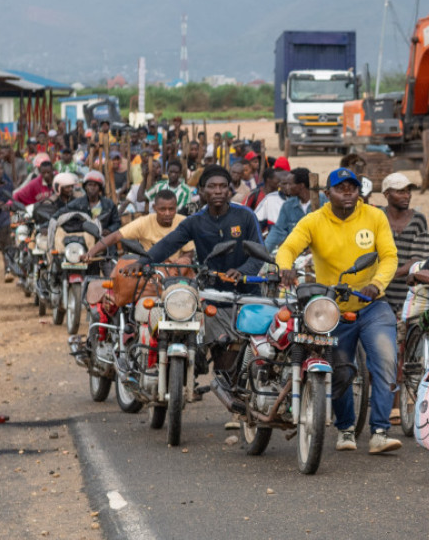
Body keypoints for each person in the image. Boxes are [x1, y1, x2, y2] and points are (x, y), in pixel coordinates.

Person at [276, 168, 401, 455]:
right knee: (340, 370)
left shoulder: (374, 216)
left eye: (353, 187)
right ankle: (345, 428)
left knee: (384, 360)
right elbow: (288, 248)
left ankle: (380, 431)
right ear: (326, 194)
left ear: (359, 192)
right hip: (330, 310)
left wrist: (377, 284)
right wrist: (284, 267)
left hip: (371, 304)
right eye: (340, 187)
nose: (347, 192)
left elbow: (389, 256)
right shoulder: (313, 221)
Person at [138, 165, 267, 392]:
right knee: (221, 353)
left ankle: (243, 401)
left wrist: (243, 272)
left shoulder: (245, 216)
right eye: (212, 186)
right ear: (202, 191)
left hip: (247, 296)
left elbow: (259, 254)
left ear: (230, 190)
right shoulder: (194, 221)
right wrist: (144, 261)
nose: (218, 191)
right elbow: (168, 244)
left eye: (222, 187)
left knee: (248, 356)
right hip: (212, 296)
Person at [84, 189, 194, 260]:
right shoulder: (144, 222)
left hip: (177, 272)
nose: (167, 213)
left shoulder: (184, 223)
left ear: (176, 208)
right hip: (149, 270)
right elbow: (116, 236)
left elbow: (188, 253)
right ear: (155, 208)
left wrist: (177, 266)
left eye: (171, 209)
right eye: (162, 209)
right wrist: (91, 253)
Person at [379, 173, 429, 315]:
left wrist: (386, 275)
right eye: (400, 192)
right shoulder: (377, 217)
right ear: (386, 194)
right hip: (379, 293)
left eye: (408, 191)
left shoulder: (418, 220)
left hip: (408, 293)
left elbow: (418, 259)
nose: (407, 196)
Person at [265, 167, 325, 250]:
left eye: (290, 184)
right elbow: (278, 231)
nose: (287, 187)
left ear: (301, 186)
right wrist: (265, 250)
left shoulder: (325, 203)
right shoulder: (288, 205)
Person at [57, 170, 121, 236]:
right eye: (90, 185)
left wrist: (109, 230)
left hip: (104, 238)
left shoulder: (109, 204)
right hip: (83, 237)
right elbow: (60, 213)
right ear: (85, 187)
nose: (92, 188)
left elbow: (117, 222)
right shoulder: (77, 203)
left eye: (95, 185)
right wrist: (46, 225)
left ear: (100, 188)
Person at [253, 171, 287, 235]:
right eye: (284, 183)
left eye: (289, 183)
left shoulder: (300, 201)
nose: (287, 186)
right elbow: (256, 222)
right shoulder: (270, 198)